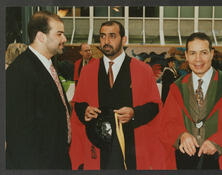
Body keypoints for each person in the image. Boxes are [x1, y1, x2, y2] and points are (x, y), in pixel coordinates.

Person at [69, 20, 165, 170]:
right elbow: (78, 105)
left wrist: (134, 114)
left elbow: (154, 107)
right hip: (98, 149)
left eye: (112, 36)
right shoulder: (88, 71)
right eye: (102, 36)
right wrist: (85, 111)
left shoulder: (143, 70)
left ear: (124, 40)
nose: (106, 41)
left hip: (132, 147)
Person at [159, 32, 222, 170]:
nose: (198, 59)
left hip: (221, 161)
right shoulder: (177, 87)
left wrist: (218, 142)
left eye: (204, 53)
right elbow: (167, 122)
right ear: (187, 56)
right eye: (193, 53)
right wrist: (181, 135)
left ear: (212, 54)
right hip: (184, 161)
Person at [6, 11, 71, 169]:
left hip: (55, 159)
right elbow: (19, 133)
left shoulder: (46, 65)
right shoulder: (20, 71)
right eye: (59, 34)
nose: (64, 39)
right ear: (41, 36)